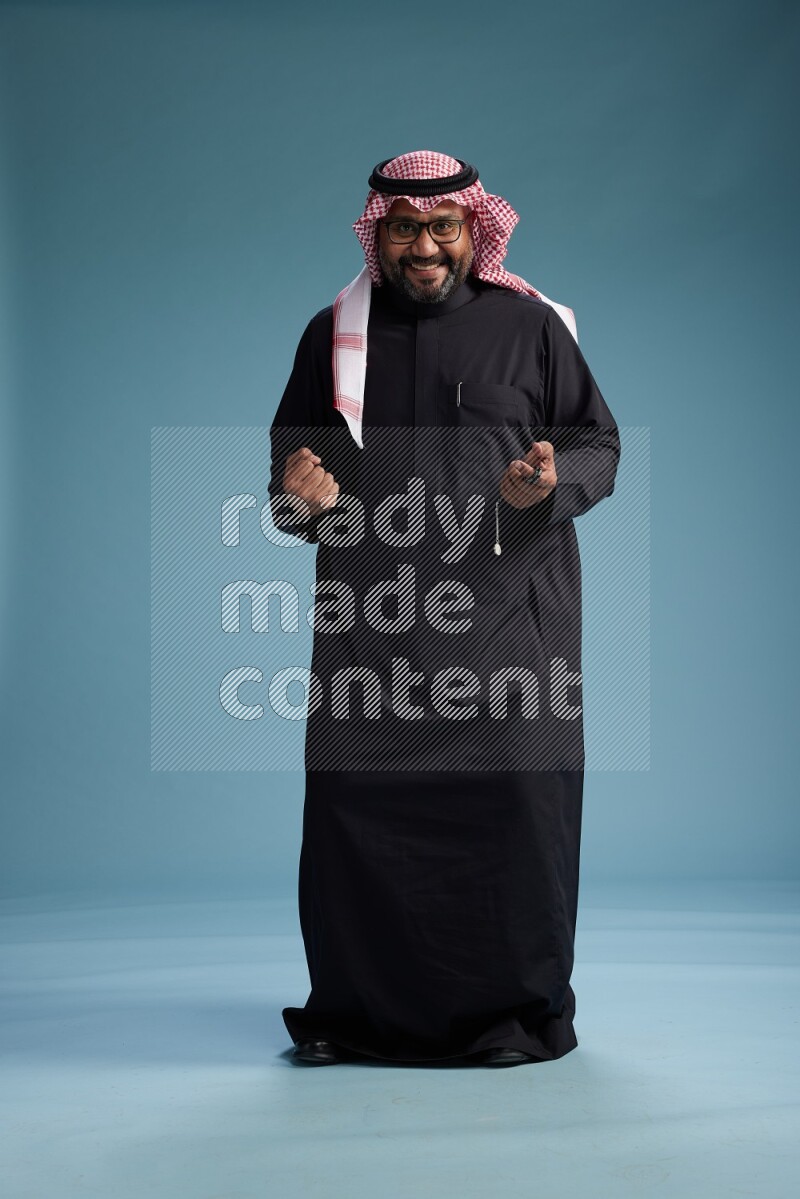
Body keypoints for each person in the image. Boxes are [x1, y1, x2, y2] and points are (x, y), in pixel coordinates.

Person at [268, 151, 621, 1067]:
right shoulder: (329, 337)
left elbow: (598, 445)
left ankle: (510, 1017)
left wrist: (545, 485)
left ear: (475, 231)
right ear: (377, 233)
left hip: (514, 634)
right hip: (369, 636)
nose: (425, 247)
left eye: (443, 228)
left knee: (514, 817)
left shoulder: (533, 330)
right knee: (354, 820)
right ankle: (351, 1017)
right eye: (405, 228)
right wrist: (295, 501)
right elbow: (291, 473)